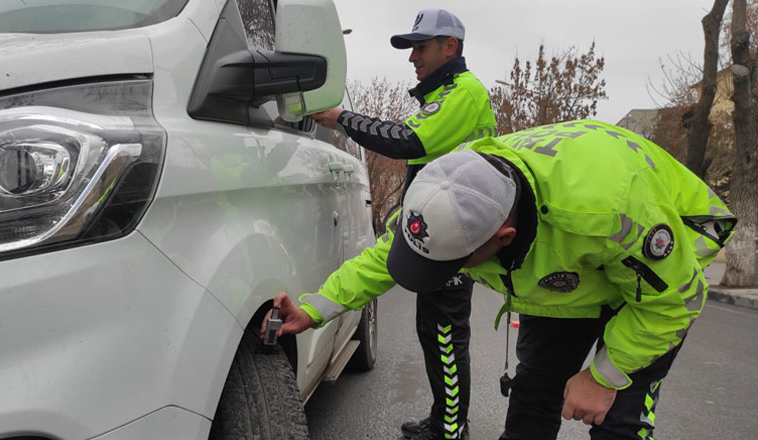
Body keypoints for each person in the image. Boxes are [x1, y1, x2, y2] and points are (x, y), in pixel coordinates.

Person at [294, 119, 730, 440]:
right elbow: (379, 259)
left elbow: (677, 299)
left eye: (455, 265)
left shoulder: (608, 212)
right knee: (533, 398)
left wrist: (601, 376)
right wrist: (313, 309)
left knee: (618, 422)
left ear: (503, 237)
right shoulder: (457, 185)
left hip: (653, 279)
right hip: (570, 271)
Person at [306, 8, 496, 440]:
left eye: (421, 47)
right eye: (411, 49)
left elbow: (406, 140)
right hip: (442, 232)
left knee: (446, 337)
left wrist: (341, 118)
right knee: (433, 332)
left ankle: (451, 429)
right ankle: (442, 418)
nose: (412, 58)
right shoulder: (443, 95)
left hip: (455, 238)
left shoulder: (463, 92)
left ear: (451, 47)